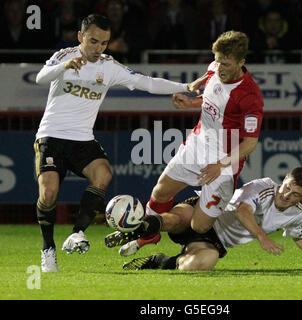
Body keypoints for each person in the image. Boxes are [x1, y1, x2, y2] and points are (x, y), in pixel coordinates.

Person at [34, 14, 201, 272]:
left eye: (104, 43)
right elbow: (40, 78)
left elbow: (146, 82)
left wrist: (186, 85)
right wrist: (64, 67)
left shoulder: (108, 66)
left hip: (82, 139)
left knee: (103, 174)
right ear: (80, 37)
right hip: (51, 136)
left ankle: (77, 233)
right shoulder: (65, 56)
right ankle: (48, 249)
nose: (98, 48)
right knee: (48, 195)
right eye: (93, 41)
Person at [119, 30, 264, 257]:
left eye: (226, 64)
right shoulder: (215, 68)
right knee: (160, 192)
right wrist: (190, 102)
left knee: (199, 226)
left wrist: (220, 164)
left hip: (224, 160)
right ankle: (149, 235)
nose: (220, 68)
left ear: (241, 62)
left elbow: (250, 143)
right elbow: (209, 95)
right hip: (198, 143)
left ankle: (201, 233)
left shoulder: (249, 95)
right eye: (217, 62)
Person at [105, 167, 302, 271]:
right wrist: (262, 237)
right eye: (286, 187)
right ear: (285, 179)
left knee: (204, 262)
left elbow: (301, 238)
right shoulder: (263, 187)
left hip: (213, 240)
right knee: (177, 218)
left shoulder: (297, 214)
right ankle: (137, 229)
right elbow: (242, 211)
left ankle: (160, 261)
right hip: (206, 213)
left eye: (294, 194)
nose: (285, 194)